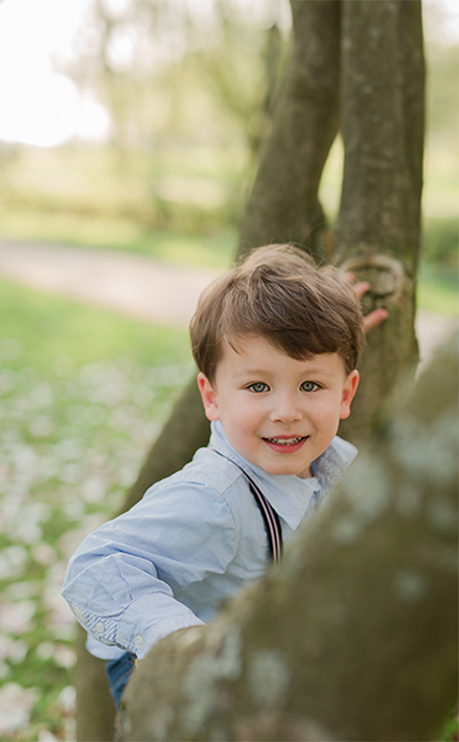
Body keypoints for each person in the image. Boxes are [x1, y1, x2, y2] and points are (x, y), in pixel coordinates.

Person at [61, 244, 377, 709]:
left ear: (346, 392)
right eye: (257, 386)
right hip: (160, 671)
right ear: (212, 398)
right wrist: (184, 643)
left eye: (311, 385)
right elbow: (93, 569)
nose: (286, 412)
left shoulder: (336, 462)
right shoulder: (215, 498)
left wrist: (332, 322)